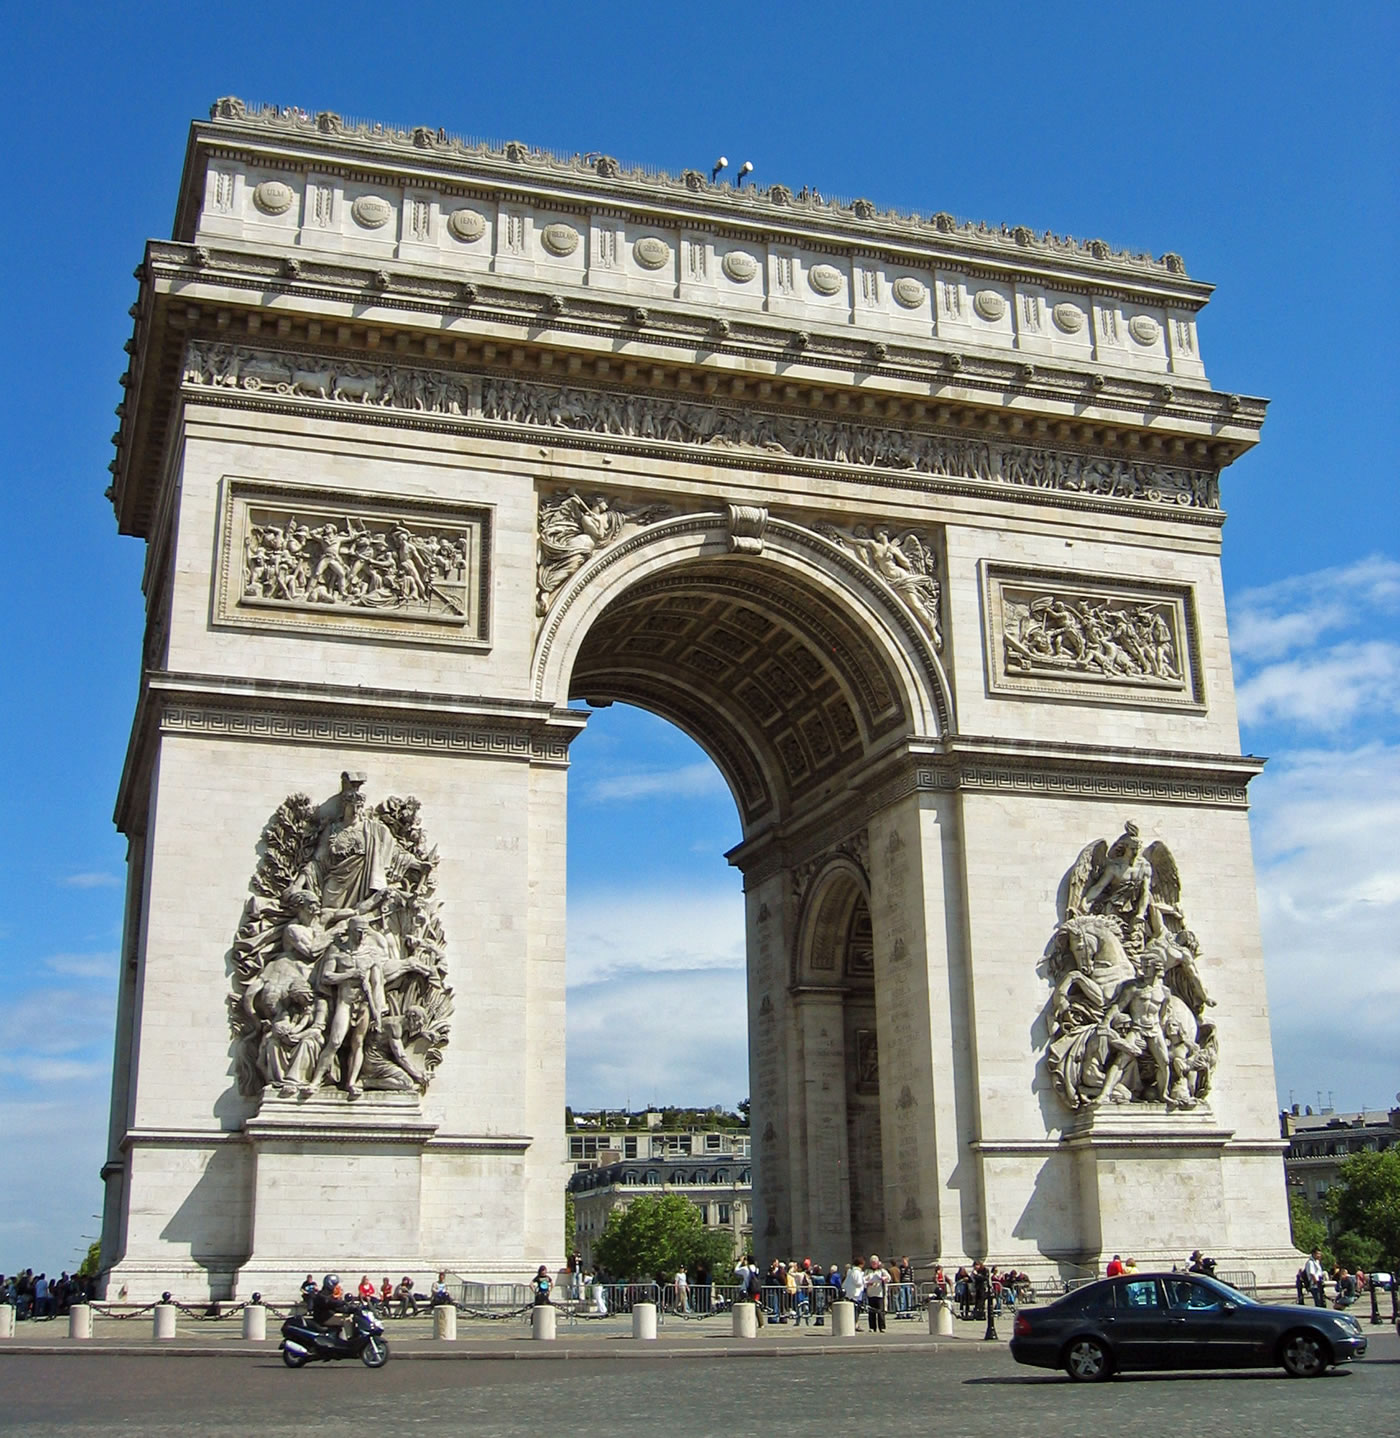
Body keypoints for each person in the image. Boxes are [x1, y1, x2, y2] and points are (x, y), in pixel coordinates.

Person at [865, 1256, 890, 1333]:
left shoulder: (882, 1270)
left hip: (879, 1293)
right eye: (872, 1263)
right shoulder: (867, 1271)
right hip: (871, 1293)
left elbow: (889, 1278)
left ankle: (882, 1327)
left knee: (880, 1311)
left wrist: (884, 1278)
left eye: (875, 1263)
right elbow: (863, 1280)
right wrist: (868, 1283)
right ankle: (872, 1327)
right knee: (871, 1311)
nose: (874, 1264)